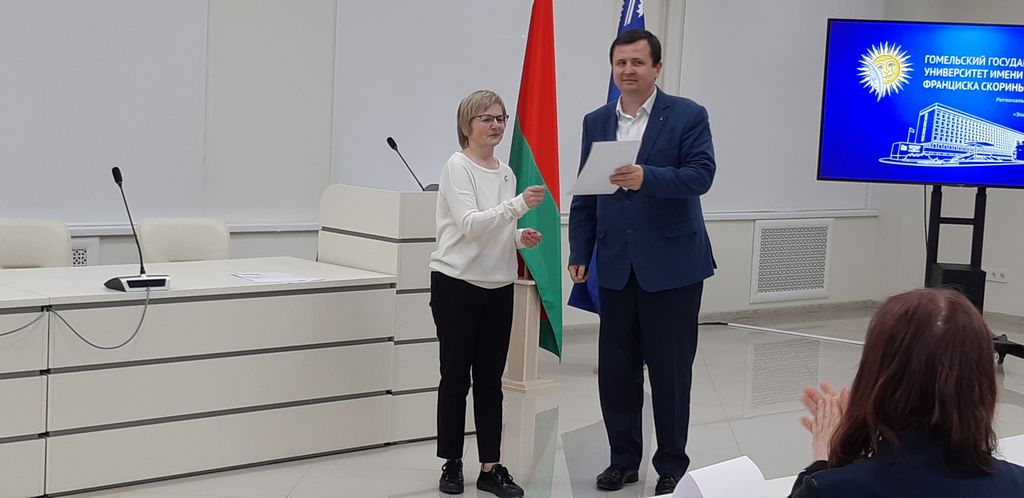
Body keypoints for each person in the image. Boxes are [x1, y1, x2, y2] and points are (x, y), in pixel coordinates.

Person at [567, 29, 716, 495]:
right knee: (617, 370)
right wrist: (579, 250)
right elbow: (586, 190)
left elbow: (701, 175)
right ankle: (622, 460)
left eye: (637, 62)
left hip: (673, 267)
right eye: (620, 63)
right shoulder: (596, 121)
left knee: (670, 372)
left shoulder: (688, 115)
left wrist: (646, 177)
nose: (627, 70)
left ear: (657, 68)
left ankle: (671, 464)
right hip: (615, 263)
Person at [792, 288, 1024, 497]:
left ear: (876, 377)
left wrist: (824, 462)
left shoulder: (831, 490)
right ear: (982, 384)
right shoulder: (1017, 484)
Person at [429, 89, 546, 498]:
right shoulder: (457, 166)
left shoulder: (506, 173)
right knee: (455, 377)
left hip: (498, 286)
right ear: (467, 124)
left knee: (490, 381)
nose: (497, 125)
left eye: (501, 118)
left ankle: (490, 467)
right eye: (487, 118)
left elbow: (496, 229)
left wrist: (518, 237)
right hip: (457, 284)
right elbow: (470, 224)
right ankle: (451, 461)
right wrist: (517, 207)